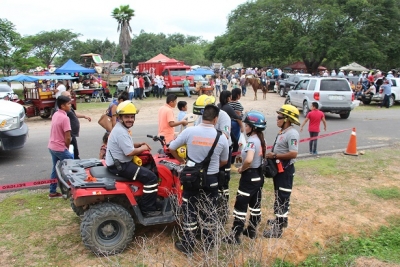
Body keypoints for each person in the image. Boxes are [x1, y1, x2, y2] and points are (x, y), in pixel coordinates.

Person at [169, 104, 229, 255]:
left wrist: (182, 161)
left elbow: (171, 147)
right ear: (216, 119)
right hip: (211, 179)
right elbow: (224, 161)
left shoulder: (190, 131)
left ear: (202, 117)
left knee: (189, 210)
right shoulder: (221, 137)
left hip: (192, 178)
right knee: (209, 210)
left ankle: (188, 243)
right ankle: (208, 243)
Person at [105, 101, 160, 217]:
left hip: (117, 163)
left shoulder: (120, 128)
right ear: (119, 117)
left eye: (132, 117)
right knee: (151, 178)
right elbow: (129, 152)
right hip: (120, 166)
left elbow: (126, 145)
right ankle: (148, 210)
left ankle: (145, 199)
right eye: (127, 117)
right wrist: (144, 147)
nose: (130, 119)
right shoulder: (121, 132)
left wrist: (138, 144)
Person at [222, 111, 267, 244]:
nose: (245, 127)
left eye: (247, 125)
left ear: (253, 127)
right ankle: (252, 230)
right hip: (258, 176)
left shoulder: (252, 141)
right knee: (255, 203)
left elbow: (249, 160)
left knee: (241, 205)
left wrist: (242, 168)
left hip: (249, 176)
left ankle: (235, 235)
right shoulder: (260, 140)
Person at [193, 95, 232, 223]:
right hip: (206, 153)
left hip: (221, 152)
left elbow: (225, 136)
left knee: (222, 181)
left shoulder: (224, 116)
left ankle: (222, 210)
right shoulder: (202, 115)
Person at [263, 104, 300, 238]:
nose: (277, 119)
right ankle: (281, 220)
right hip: (279, 170)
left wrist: (275, 156)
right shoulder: (282, 132)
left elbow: (293, 153)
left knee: (282, 198)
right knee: (279, 195)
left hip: (286, 171)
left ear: (287, 120)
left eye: (279, 117)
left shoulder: (292, 133)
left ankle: (277, 230)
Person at [47, 95, 74, 199]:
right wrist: (66, 148)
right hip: (60, 147)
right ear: (62, 106)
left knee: (55, 168)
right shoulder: (65, 118)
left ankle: (52, 191)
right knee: (71, 167)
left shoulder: (55, 114)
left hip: (52, 146)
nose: (70, 106)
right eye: (68, 104)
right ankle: (71, 190)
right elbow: (68, 137)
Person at [60, 91, 91, 159]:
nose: (70, 98)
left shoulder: (68, 106)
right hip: (69, 134)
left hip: (72, 134)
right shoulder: (63, 109)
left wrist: (84, 116)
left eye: (70, 96)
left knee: (75, 152)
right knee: (73, 154)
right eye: (68, 96)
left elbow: (74, 114)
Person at [218, 91, 243, 172]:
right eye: (230, 97)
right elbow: (236, 116)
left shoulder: (218, 105)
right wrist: (242, 116)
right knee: (234, 144)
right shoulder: (227, 107)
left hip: (218, 129)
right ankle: (230, 161)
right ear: (227, 97)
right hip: (226, 129)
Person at [229, 88, 244, 165]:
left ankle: (229, 158)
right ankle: (232, 160)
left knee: (229, 142)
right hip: (235, 123)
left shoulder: (228, 103)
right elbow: (238, 116)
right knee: (235, 143)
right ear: (238, 95)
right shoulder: (237, 103)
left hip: (229, 123)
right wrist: (242, 126)